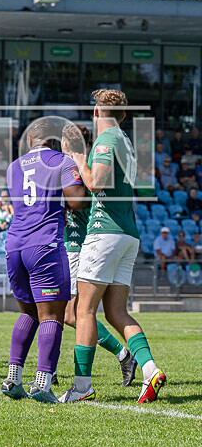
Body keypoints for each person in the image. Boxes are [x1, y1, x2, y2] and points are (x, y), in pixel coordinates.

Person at [63, 89, 165, 404]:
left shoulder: (107, 141)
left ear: (97, 114)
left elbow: (96, 182)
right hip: (128, 233)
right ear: (124, 115)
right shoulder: (128, 142)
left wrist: (78, 157)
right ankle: (150, 370)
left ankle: (82, 388)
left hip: (103, 232)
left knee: (85, 310)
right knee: (117, 311)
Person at [1, 118, 87, 403]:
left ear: (29, 141)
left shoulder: (14, 167)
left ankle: (13, 378)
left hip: (15, 245)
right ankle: (42, 383)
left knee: (27, 313)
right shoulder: (61, 161)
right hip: (45, 244)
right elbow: (76, 200)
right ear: (54, 141)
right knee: (51, 316)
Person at [61, 123, 136, 389]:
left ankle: (122, 354)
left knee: (73, 313)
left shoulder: (79, 166)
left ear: (66, 144)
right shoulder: (85, 163)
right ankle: (51, 368)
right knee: (68, 311)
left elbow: (78, 201)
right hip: (75, 243)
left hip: (78, 244)